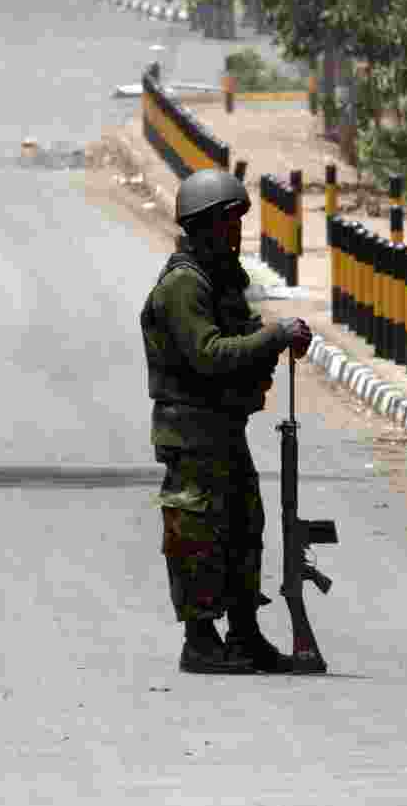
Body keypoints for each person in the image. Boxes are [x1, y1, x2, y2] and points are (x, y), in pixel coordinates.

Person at [141, 167, 314, 674]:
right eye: (226, 225)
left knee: (243, 529)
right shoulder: (182, 287)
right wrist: (274, 337)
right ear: (201, 228)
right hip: (191, 433)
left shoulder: (221, 281)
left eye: (238, 224)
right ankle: (200, 640)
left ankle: (244, 634)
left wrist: (277, 341)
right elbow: (209, 354)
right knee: (197, 533)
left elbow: (243, 341)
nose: (235, 235)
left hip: (224, 429)